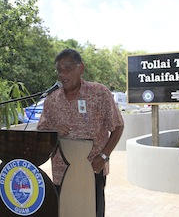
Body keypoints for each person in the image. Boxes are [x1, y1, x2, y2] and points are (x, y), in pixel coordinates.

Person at [37, 48, 124, 217]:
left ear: (81, 68)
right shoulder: (51, 99)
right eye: (59, 70)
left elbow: (118, 126)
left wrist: (104, 157)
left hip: (92, 169)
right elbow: (42, 131)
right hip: (61, 173)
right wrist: (54, 131)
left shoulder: (99, 93)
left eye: (68, 68)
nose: (63, 74)